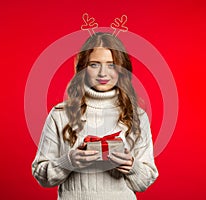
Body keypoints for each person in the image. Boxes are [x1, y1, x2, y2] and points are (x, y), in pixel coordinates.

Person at [32, 32, 159, 200]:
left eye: (111, 65)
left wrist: (132, 166)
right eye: (94, 64)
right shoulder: (60, 115)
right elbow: (42, 177)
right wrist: (68, 162)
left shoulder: (137, 116)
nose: (103, 73)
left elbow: (145, 181)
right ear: (83, 68)